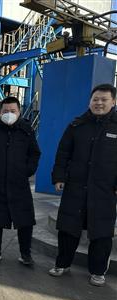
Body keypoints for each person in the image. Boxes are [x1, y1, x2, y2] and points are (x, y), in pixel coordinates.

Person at [49, 83, 117, 287]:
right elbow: (63, 153)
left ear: (113, 102)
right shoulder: (77, 125)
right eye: (95, 99)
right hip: (75, 187)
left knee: (101, 233)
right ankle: (62, 264)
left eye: (104, 99)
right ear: (89, 102)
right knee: (68, 229)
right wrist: (59, 177)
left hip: (105, 190)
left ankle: (98, 271)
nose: (99, 103)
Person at [0, 96, 41, 265]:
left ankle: (25, 254)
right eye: (5, 111)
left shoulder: (26, 130)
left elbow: (34, 153)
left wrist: (28, 170)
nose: (9, 114)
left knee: (25, 221)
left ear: (19, 112)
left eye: (13, 111)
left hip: (19, 184)